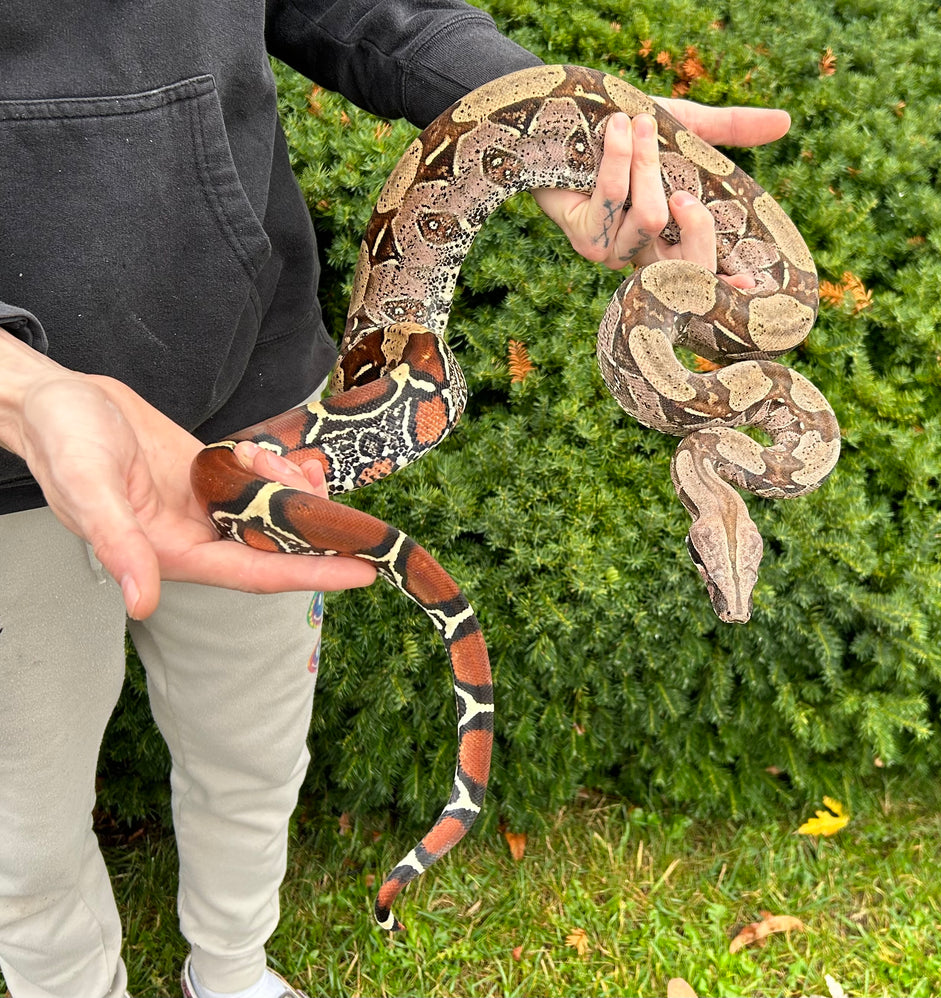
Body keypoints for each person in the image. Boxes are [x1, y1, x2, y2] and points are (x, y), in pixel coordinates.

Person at [0, 2, 791, 996]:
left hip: (263, 415)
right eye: (725, 565)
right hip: (6, 468)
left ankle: (233, 969)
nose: (723, 582)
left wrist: (562, 124)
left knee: (252, 749)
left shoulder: (724, 412)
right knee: (18, 829)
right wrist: (21, 389)